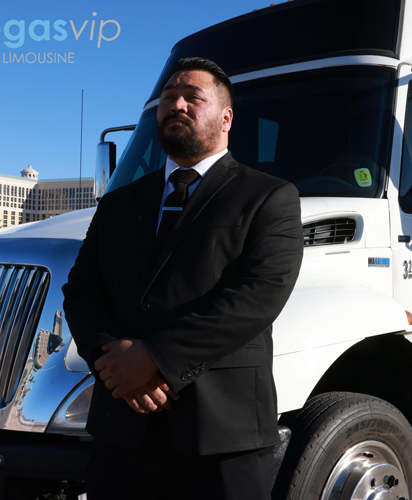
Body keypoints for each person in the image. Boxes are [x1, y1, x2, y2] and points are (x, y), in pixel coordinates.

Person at [62, 57, 304, 500]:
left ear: (226, 117)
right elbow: (80, 288)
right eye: (168, 97)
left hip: (220, 432)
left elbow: (258, 295)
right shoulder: (120, 202)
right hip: (121, 426)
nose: (176, 104)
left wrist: (156, 359)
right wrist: (110, 360)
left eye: (192, 96)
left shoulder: (269, 196)